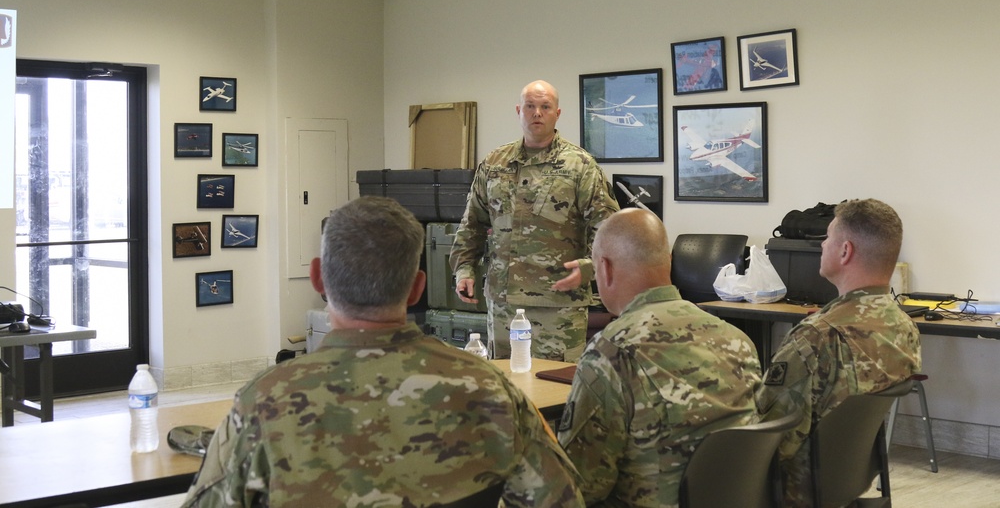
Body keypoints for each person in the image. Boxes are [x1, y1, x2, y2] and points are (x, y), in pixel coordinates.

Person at [182, 197, 584, 507]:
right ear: (417, 288)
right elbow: (561, 498)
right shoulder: (491, 391)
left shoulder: (263, 402)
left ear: (318, 277)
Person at [557, 208, 763, 507]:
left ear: (604, 269)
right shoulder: (737, 339)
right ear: (667, 262)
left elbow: (578, 487)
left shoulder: (612, 352)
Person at [756, 198, 921, 508]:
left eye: (827, 238)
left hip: (793, 492)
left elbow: (765, 438)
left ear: (845, 251)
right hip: (847, 483)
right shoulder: (903, 327)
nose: (822, 246)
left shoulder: (817, 337)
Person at [450, 79, 619, 362]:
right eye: (530, 106)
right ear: (519, 111)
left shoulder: (579, 165)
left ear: (557, 113)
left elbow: (608, 226)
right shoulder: (495, 162)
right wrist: (464, 269)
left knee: (556, 389)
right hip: (504, 301)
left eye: (545, 106)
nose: (537, 113)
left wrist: (590, 268)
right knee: (506, 386)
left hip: (558, 302)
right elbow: (472, 223)